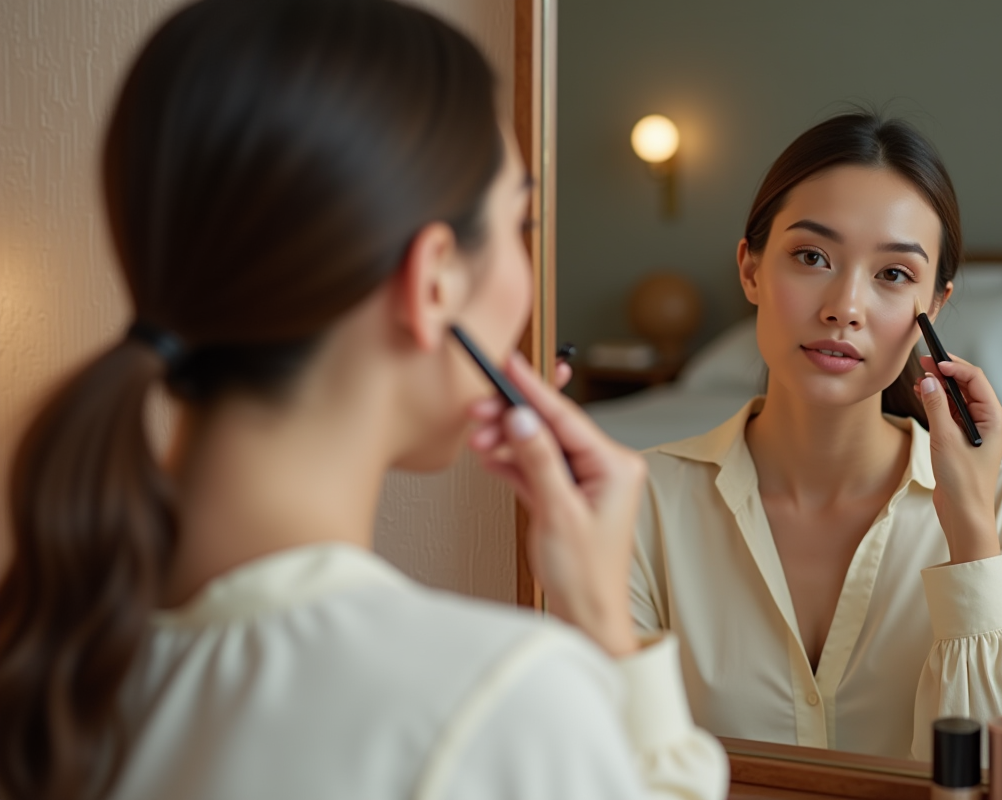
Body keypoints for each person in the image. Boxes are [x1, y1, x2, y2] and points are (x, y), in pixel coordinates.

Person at [0, 1, 727, 798]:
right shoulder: (497, 703)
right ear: (435, 279)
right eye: (521, 221)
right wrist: (605, 631)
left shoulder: (44, 648)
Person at [630, 113, 1002, 761]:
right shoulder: (639, 502)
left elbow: (989, 776)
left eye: (894, 274)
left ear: (937, 306)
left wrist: (972, 533)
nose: (845, 305)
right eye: (812, 257)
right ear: (750, 270)